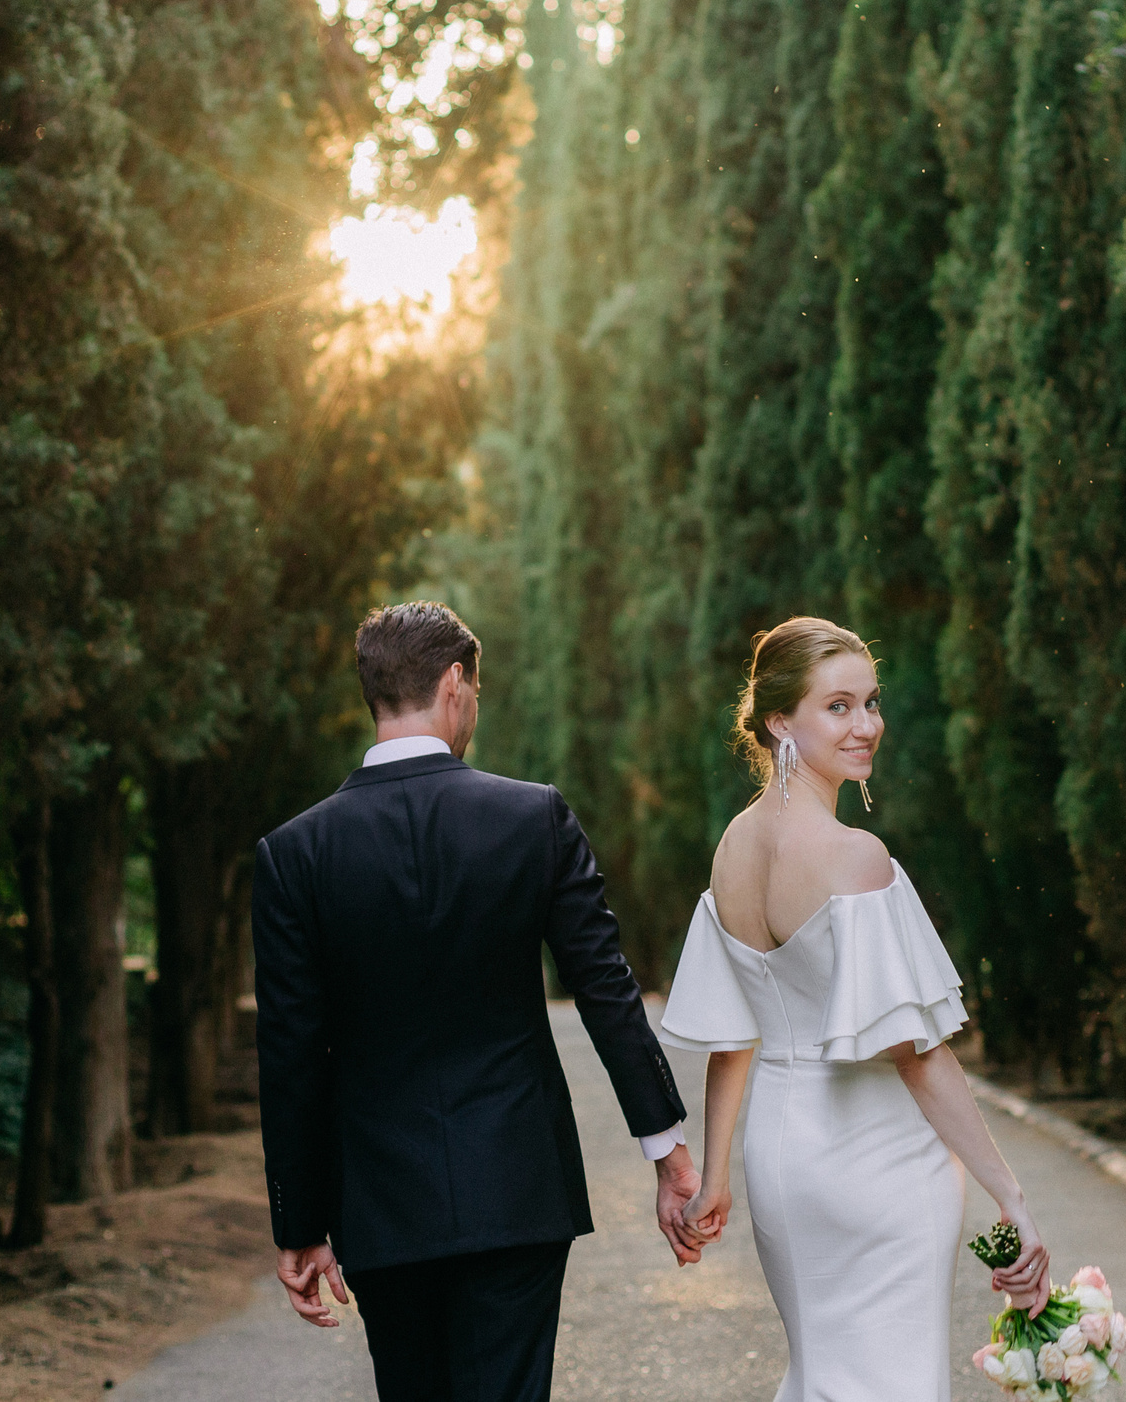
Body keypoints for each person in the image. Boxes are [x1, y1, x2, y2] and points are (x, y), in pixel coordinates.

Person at [252, 600, 700, 1402]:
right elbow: (604, 986)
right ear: (455, 683)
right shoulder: (534, 816)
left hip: (382, 1203)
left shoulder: (295, 853)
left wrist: (300, 1222)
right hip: (518, 1187)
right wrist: (666, 1149)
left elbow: (290, 1054)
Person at [659, 615, 1053, 1402]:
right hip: (879, 1162)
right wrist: (1011, 1196)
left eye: (871, 702)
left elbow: (735, 1036)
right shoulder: (856, 857)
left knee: (823, 1373)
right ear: (780, 720)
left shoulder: (732, 847)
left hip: (782, 1159)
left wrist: (718, 1173)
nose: (866, 724)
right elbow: (917, 1055)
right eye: (837, 706)